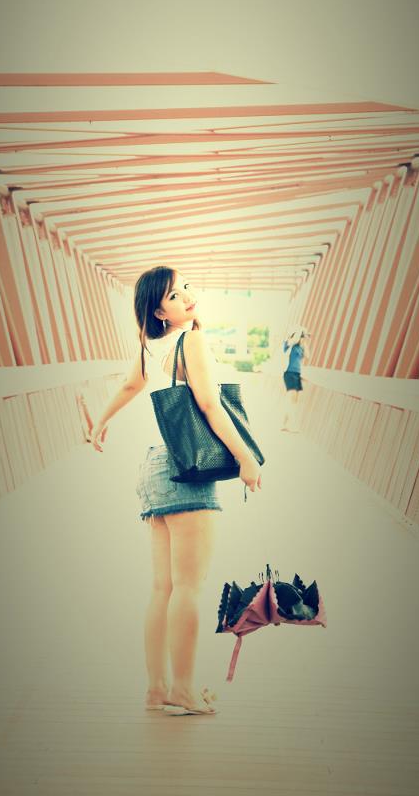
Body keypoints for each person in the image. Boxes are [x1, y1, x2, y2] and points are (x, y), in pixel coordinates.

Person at [87, 266, 262, 716]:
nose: (185, 295)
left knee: (163, 588)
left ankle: (158, 688)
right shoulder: (192, 342)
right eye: (172, 295)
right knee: (188, 588)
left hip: (153, 467)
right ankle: (183, 689)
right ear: (160, 312)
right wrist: (244, 456)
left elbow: (131, 384)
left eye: (184, 286)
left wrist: (100, 421)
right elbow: (209, 404)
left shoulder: (151, 346)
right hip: (185, 468)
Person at [280, 327, 311, 432]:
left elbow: (307, 356)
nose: (302, 338)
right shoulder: (289, 344)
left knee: (294, 401)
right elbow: (294, 340)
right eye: (301, 336)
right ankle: (290, 424)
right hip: (289, 374)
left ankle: (284, 423)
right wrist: (300, 333)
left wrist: (304, 341)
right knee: (291, 399)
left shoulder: (300, 347)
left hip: (297, 375)